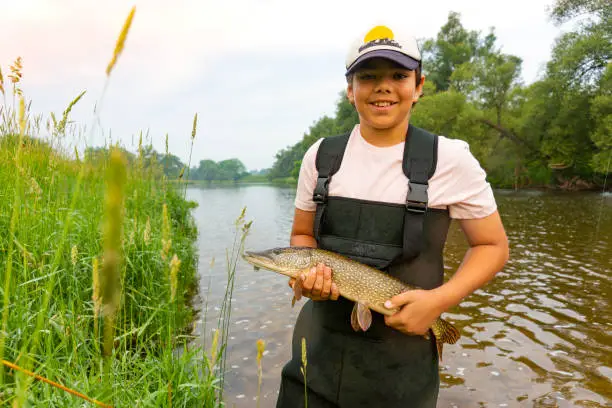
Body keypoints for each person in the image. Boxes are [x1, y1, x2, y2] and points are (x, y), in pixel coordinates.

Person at [277, 24, 509, 408]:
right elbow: (302, 237)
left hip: (401, 373)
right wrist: (305, 279)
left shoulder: (450, 159)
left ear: (418, 86)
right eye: (368, 77)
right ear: (350, 90)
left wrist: (439, 301)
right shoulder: (320, 157)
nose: (383, 87)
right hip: (314, 359)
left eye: (399, 76)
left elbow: (493, 246)